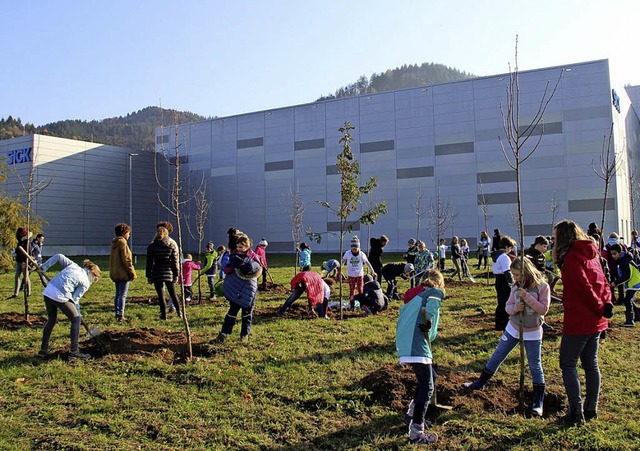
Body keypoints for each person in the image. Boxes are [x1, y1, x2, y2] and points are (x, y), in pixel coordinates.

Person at [462, 258, 550, 416]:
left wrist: (527, 298)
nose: (515, 278)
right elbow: (507, 307)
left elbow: (543, 309)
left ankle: (538, 401)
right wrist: (516, 308)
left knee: (535, 365)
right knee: (498, 355)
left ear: (526, 272)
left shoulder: (543, 287)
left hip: (532, 331)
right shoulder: (515, 287)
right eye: (514, 275)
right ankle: (479, 382)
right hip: (513, 328)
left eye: (517, 275)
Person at [553, 220, 611, 424]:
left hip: (580, 318)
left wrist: (598, 306)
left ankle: (576, 413)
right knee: (591, 364)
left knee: (567, 363)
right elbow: (602, 281)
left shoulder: (570, 258)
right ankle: (591, 409)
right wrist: (606, 305)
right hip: (596, 318)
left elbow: (584, 287)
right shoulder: (592, 254)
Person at [395, 269, 445, 445]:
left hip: (406, 341)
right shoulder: (434, 292)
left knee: (432, 377)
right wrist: (428, 321)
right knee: (427, 387)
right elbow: (431, 309)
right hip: (416, 343)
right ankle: (416, 432)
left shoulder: (416, 296)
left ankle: (411, 414)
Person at [37, 254, 101, 360]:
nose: (93, 281)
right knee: (76, 319)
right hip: (59, 295)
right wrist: (78, 315)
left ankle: (43, 350)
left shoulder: (73, 265)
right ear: (92, 273)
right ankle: (74, 351)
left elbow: (58, 256)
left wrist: (44, 267)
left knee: (51, 320)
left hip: (48, 291)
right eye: (94, 279)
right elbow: (75, 300)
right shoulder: (85, 282)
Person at [214, 234, 262, 343]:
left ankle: (244, 334)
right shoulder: (234, 256)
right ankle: (224, 333)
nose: (239, 249)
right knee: (232, 312)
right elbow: (227, 267)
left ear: (247, 247)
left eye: (241, 247)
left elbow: (254, 267)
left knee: (246, 313)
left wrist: (240, 264)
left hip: (249, 289)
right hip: (237, 289)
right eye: (238, 247)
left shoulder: (252, 257)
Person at [146, 226, 181, 320]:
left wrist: (148, 275)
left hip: (157, 271)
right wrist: (176, 274)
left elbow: (149, 262)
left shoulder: (152, 246)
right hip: (169, 271)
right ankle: (179, 312)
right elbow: (174, 261)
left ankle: (163, 315)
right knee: (173, 293)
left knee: (161, 295)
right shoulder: (171, 245)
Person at [109, 223, 137, 321]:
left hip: (115, 272)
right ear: (124, 233)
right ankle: (120, 314)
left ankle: (117, 313)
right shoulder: (123, 243)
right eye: (128, 233)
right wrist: (132, 273)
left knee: (118, 294)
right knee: (122, 294)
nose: (129, 235)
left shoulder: (114, 243)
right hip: (123, 273)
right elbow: (127, 260)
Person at [608, 243, 639, 327]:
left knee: (627, 300)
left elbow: (627, 276)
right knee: (629, 299)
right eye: (612, 254)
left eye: (615, 254)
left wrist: (616, 282)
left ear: (620, 252)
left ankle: (630, 320)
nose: (613, 256)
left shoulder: (624, 262)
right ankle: (637, 315)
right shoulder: (624, 259)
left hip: (634, 282)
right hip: (633, 282)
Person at [492, 235, 516, 331]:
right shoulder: (504, 257)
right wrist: (512, 283)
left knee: (501, 301)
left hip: (498, 279)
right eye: (510, 248)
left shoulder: (496, 255)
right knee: (505, 302)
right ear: (506, 247)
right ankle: (503, 324)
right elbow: (507, 272)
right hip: (503, 281)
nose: (510, 250)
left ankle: (499, 323)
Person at [342, 236, 376, 303]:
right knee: (352, 290)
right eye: (353, 249)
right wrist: (340, 269)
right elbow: (343, 261)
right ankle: (352, 304)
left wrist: (372, 271)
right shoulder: (347, 253)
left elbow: (367, 262)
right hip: (351, 275)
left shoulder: (361, 254)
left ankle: (359, 304)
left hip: (359, 275)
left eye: (356, 249)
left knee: (360, 290)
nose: (354, 250)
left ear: (358, 248)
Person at [9, 227, 31, 299]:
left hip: (24, 261)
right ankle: (16, 293)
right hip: (19, 261)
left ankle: (28, 292)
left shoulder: (27, 242)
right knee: (17, 276)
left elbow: (29, 252)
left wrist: (27, 261)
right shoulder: (19, 240)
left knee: (26, 277)